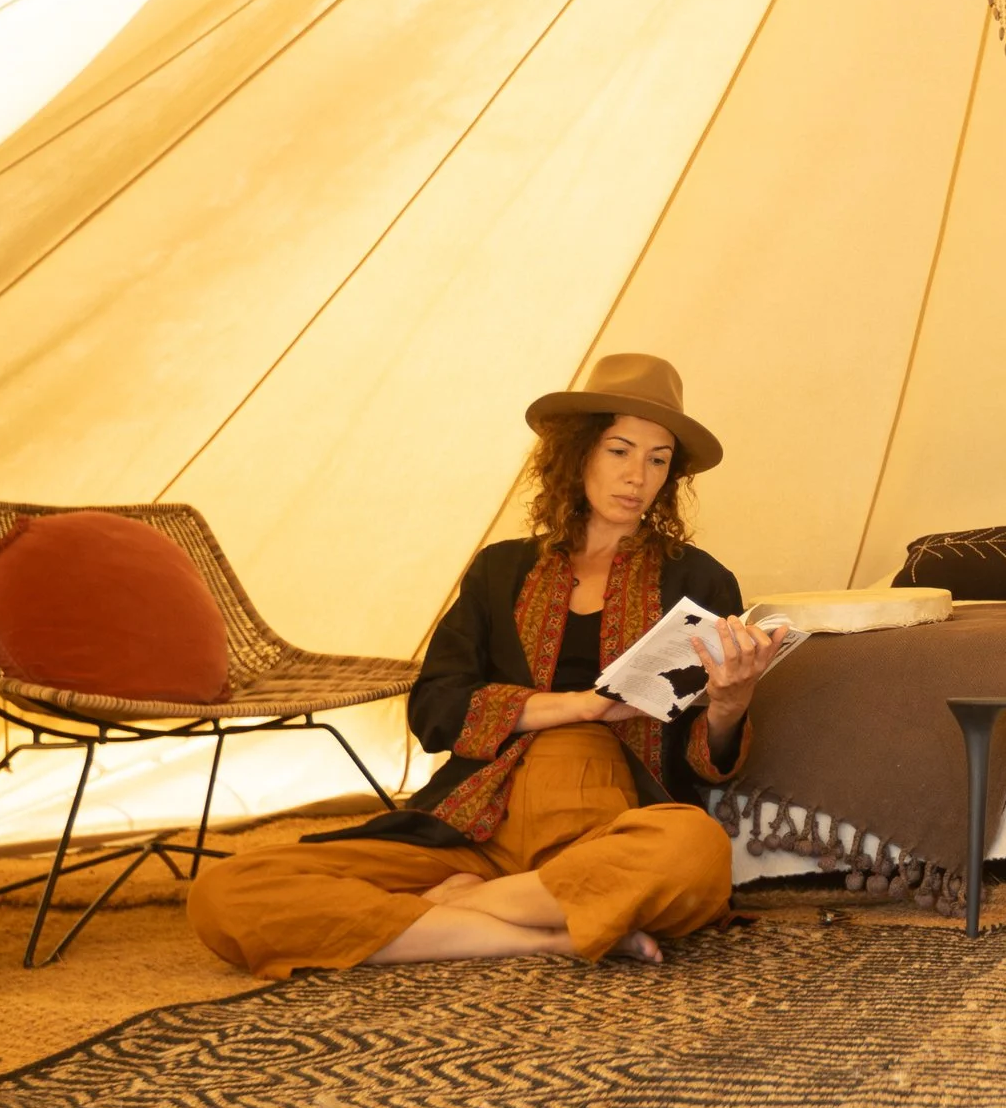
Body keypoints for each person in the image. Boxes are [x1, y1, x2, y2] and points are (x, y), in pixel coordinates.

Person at [188, 353, 777, 978]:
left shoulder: (700, 578)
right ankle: (546, 934)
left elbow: (700, 759)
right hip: (479, 823)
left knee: (694, 854)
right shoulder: (501, 570)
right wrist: (578, 705)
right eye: (619, 450)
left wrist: (731, 702)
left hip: (612, 830)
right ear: (577, 454)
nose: (638, 476)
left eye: (658, 460)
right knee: (227, 893)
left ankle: (457, 912)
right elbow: (435, 707)